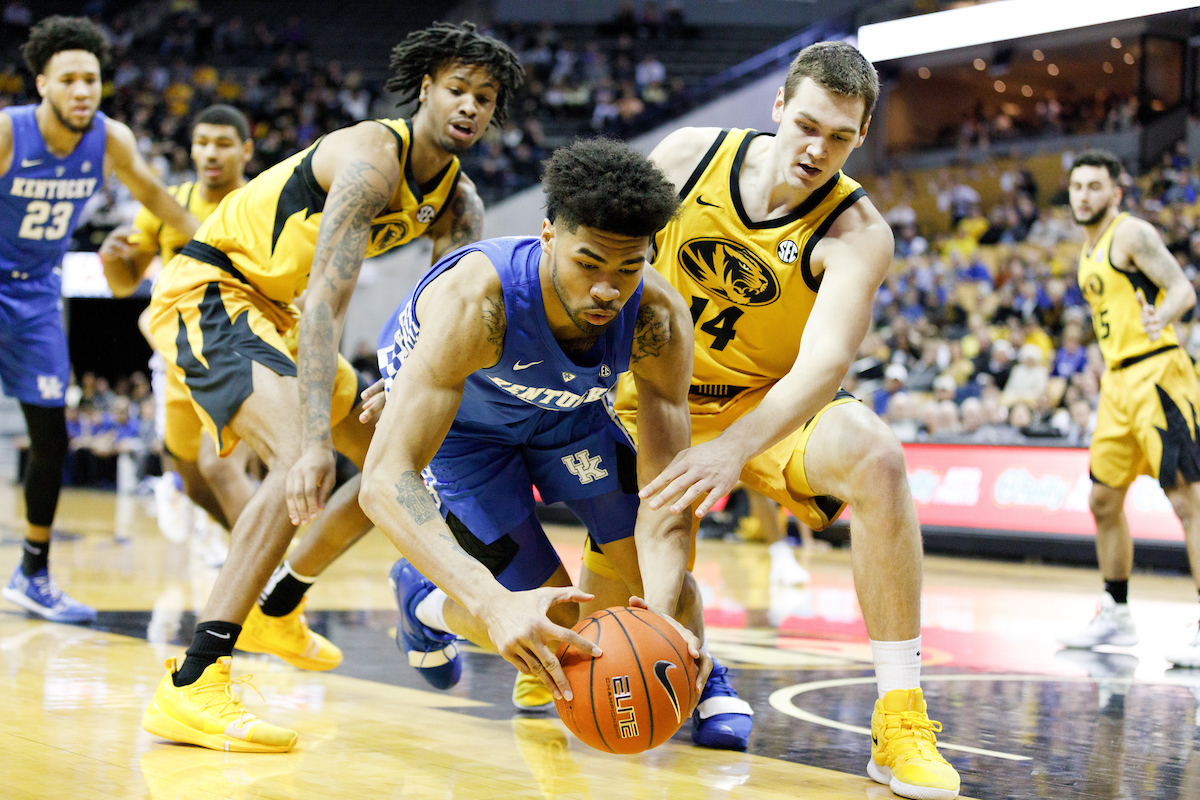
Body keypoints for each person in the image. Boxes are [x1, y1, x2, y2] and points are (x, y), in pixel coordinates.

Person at [140, 22, 524, 754]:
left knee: (397, 467)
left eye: (484, 97)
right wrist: (316, 438)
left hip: (278, 317)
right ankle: (194, 681)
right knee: (299, 461)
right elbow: (326, 302)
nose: (470, 107)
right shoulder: (372, 162)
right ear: (425, 89)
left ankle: (278, 604)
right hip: (214, 292)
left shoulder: (458, 203)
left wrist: (400, 383)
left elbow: (435, 319)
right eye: (457, 90)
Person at [589, 42, 961, 797]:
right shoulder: (690, 155)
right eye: (808, 125)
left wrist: (731, 449)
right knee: (623, 615)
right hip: (648, 395)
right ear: (779, 107)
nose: (817, 149)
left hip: (763, 406)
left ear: (861, 138)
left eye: (840, 137)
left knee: (878, 458)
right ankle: (697, 667)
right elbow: (595, 247)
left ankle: (900, 720)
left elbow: (822, 366)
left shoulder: (859, 233)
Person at [357, 137, 710, 717]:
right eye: (588, 263)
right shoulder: (479, 303)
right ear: (548, 237)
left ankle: (703, 671)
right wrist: (489, 603)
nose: (607, 290)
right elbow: (384, 480)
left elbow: (665, 496)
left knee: (670, 583)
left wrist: (665, 626)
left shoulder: (658, 319)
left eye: (629, 268)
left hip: (567, 422)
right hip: (467, 438)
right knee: (552, 620)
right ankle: (423, 602)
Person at [1, 16, 199, 624]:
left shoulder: (110, 139)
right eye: (70, 79)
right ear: (42, 84)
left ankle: (33, 574)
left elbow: (159, 199)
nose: (83, 90)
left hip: (36, 297)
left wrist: (214, 248)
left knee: (52, 438)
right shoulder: (9, 134)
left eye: (92, 79)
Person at [1057, 149, 1200, 670]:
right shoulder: (1088, 249)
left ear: (1115, 192)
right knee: (1102, 501)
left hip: (1159, 373)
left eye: (1095, 186)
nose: (1084, 195)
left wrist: (1162, 316)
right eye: (1077, 187)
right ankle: (1116, 611)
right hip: (1118, 384)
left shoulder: (1130, 233)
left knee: (1188, 500)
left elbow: (1182, 287)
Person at [98, 104, 257, 556]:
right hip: (176, 354)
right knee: (190, 468)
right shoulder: (168, 206)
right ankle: (197, 506)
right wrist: (113, 261)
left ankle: (256, 560)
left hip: (240, 351)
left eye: (223, 143)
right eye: (202, 142)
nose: (211, 153)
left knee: (225, 463)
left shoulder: (260, 204)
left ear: (245, 150)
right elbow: (125, 283)